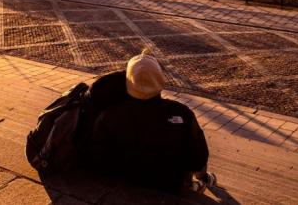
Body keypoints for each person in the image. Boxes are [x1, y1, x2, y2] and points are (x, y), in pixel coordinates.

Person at [78, 50, 216, 194]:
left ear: (128, 82)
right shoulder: (182, 114)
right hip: (169, 182)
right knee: (195, 142)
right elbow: (198, 157)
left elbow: (98, 152)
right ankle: (202, 181)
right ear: (159, 79)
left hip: (122, 176)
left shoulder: (109, 115)